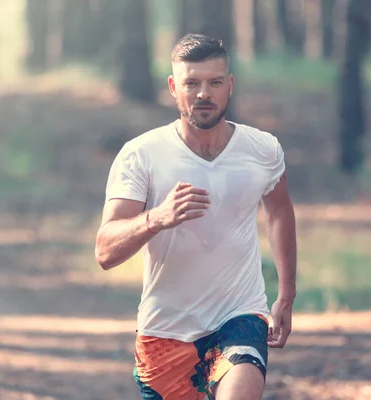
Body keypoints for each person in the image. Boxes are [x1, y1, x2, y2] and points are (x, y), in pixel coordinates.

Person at [94, 34, 297, 400]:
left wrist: (287, 293)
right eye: (191, 83)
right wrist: (157, 218)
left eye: (214, 82)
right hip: (165, 332)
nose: (203, 93)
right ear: (174, 87)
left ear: (229, 86)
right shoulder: (141, 155)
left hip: (240, 316)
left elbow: (279, 209)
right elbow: (105, 251)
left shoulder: (262, 149)